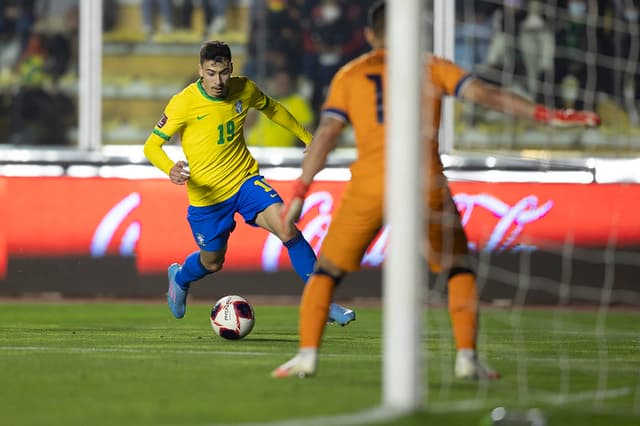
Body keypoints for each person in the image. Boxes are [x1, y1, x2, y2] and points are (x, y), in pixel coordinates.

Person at [272, 1, 601, 379]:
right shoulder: (432, 66)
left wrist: (300, 190)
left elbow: (327, 134)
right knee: (458, 268)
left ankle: (308, 356)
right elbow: (488, 96)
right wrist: (548, 116)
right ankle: (466, 358)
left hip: (370, 185)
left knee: (327, 272)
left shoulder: (350, 74)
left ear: (369, 35)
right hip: (424, 180)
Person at [143, 41, 355, 325]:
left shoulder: (245, 88)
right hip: (208, 198)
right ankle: (180, 277)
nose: (218, 81)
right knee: (212, 262)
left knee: (287, 227)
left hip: (245, 182)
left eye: (223, 73)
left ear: (231, 69)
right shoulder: (183, 103)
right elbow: (151, 146)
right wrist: (170, 168)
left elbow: (273, 109)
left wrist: (307, 137)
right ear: (200, 71)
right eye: (210, 73)